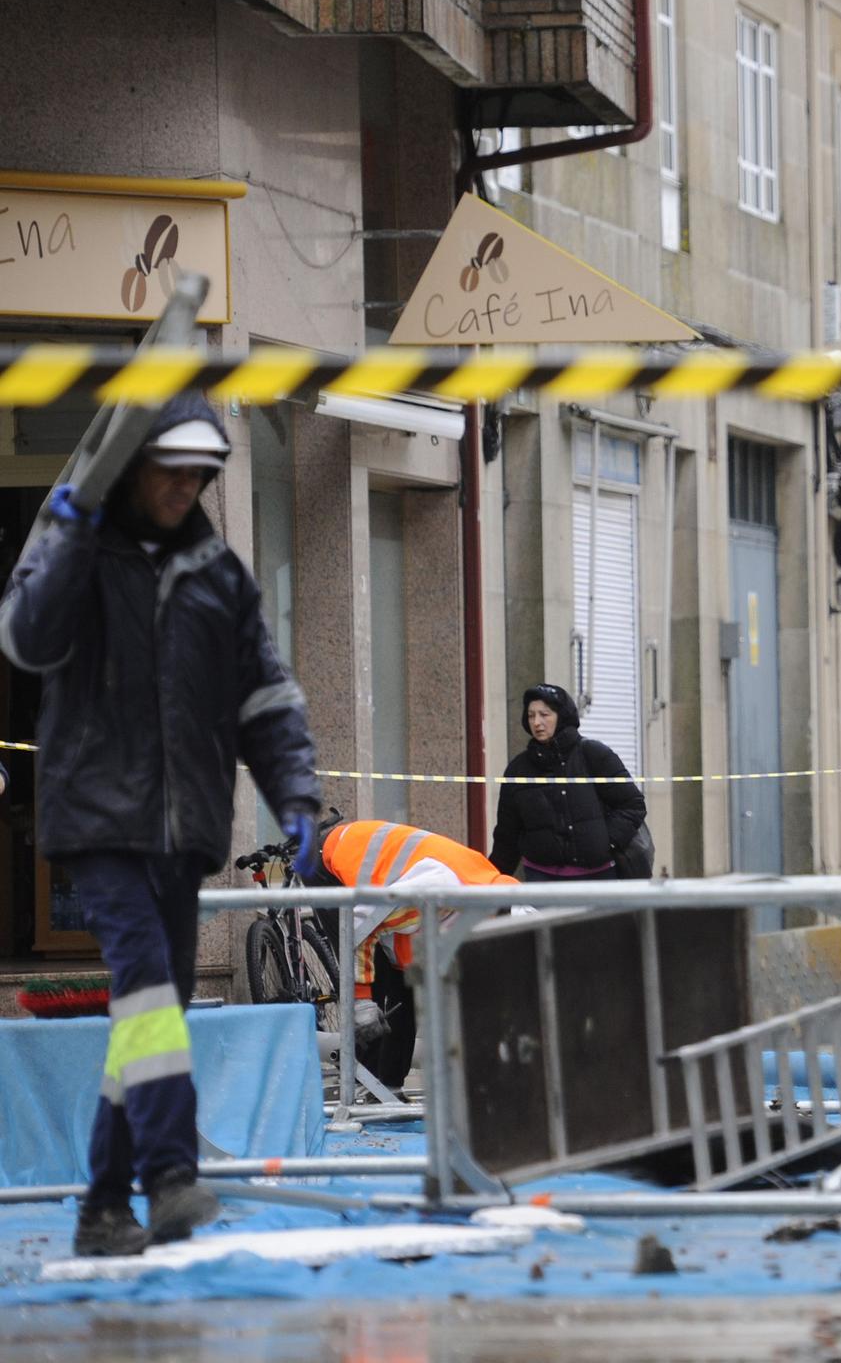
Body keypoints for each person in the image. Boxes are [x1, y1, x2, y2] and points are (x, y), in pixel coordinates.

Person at [0, 393, 320, 1257]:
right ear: (134, 466)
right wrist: (62, 532)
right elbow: (25, 641)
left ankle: (103, 1209)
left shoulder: (219, 577)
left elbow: (265, 695)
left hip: (183, 830)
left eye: (200, 473)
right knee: (148, 990)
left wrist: (295, 791)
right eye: (172, 469)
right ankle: (171, 1176)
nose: (186, 487)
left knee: (153, 1012)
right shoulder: (82, 556)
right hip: (98, 821)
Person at [309, 818, 519, 1048]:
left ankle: (388, 1080)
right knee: (372, 1003)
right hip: (331, 860)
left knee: (402, 984)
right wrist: (361, 999)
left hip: (380, 869)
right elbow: (356, 927)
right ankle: (360, 1073)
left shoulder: (488, 888)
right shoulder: (436, 893)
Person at [489, 684, 646, 882]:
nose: (537, 722)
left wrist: (605, 842)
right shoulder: (518, 769)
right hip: (541, 880)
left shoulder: (593, 754)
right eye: (531, 715)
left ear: (561, 716)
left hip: (598, 878)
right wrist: (491, 882)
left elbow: (633, 805)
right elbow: (507, 835)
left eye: (544, 714)